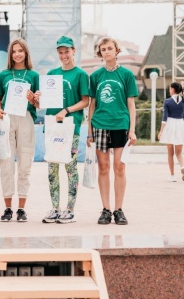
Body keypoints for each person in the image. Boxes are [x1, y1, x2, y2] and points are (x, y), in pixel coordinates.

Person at [38, 36, 90, 224]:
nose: (64, 55)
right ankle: (55, 208)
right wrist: (37, 98)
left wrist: (66, 110)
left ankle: (70, 209)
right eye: (60, 52)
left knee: (70, 168)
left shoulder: (80, 75)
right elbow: (43, 102)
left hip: (70, 127)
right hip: (52, 127)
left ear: (74, 51)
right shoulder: (52, 74)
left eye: (67, 51)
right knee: (52, 169)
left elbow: (85, 101)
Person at [87, 37, 138, 225]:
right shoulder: (96, 76)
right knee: (103, 167)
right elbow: (92, 105)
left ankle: (119, 210)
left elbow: (131, 105)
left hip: (121, 125)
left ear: (117, 50)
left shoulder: (127, 75)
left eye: (110, 48)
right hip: (100, 124)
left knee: (120, 167)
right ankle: (106, 209)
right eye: (103, 49)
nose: (107, 51)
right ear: (100, 53)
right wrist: (90, 132)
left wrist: (132, 130)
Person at [0, 38, 39, 222]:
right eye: (14, 51)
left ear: (26, 53)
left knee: (25, 163)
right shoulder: (4, 75)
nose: (17, 54)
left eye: (20, 50)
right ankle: (7, 208)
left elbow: (38, 103)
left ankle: (21, 208)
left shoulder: (33, 75)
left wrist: (33, 99)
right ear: (10, 54)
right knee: (6, 162)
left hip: (26, 118)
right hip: (7, 119)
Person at [158, 82, 184, 182]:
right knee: (179, 153)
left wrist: (161, 131)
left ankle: (172, 176)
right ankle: (183, 166)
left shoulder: (167, 101)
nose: (169, 90)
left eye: (169, 88)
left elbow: (164, 118)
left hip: (170, 125)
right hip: (181, 125)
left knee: (170, 153)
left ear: (173, 89)